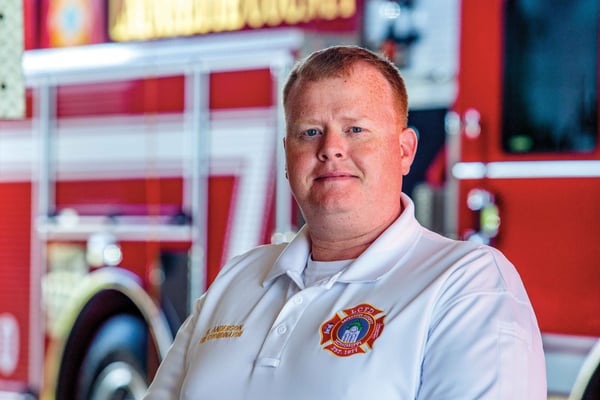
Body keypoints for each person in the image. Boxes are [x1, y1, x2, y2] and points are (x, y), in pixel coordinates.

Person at [144, 45, 546, 399]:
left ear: (405, 151)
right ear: (288, 156)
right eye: (310, 132)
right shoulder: (237, 278)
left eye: (355, 130)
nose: (331, 149)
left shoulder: (466, 286)